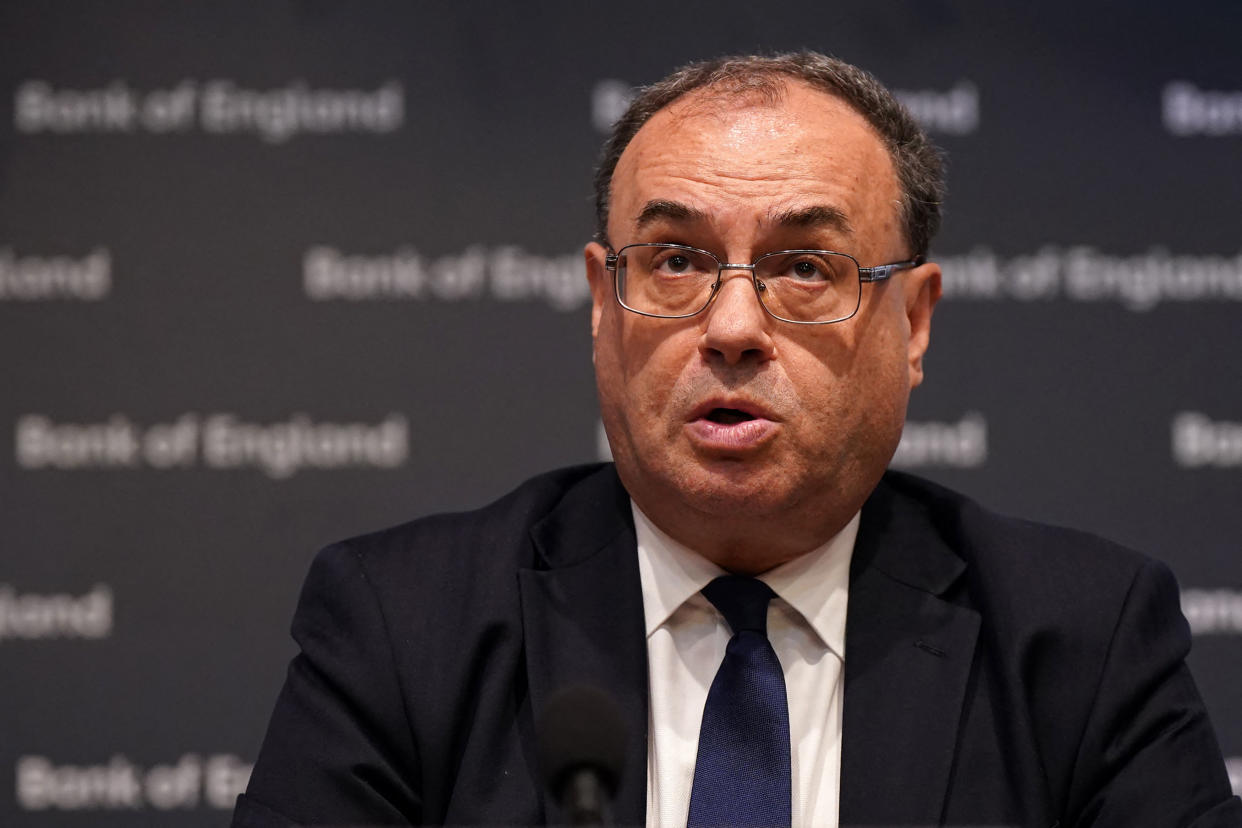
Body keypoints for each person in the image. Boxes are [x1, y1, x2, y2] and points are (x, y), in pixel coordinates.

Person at [232, 52, 1241, 827]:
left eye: (806, 267)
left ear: (915, 321)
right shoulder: (406, 629)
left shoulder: (1080, 644)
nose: (731, 328)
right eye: (674, 260)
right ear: (602, 303)